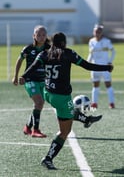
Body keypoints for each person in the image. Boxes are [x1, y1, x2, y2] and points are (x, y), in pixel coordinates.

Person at [19, 32, 113, 170]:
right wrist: (106, 68)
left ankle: (86, 120)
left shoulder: (44, 54)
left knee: (68, 112)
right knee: (64, 131)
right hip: (61, 96)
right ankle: (48, 158)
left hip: (47, 93)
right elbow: (87, 65)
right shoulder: (68, 53)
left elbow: (32, 66)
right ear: (63, 43)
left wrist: (23, 76)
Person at [12, 25, 50, 138]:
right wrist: (16, 76)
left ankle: (28, 127)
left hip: (43, 80)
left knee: (39, 104)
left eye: (43, 35)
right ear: (34, 36)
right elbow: (19, 60)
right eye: (38, 35)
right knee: (38, 102)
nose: (41, 37)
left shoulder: (49, 49)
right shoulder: (28, 49)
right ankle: (36, 130)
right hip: (29, 80)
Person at [87, 24, 116, 109]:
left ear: (102, 32)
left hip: (105, 67)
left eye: (99, 31)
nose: (97, 33)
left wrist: (110, 61)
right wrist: (87, 62)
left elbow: (113, 51)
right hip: (94, 67)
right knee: (95, 85)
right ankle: (94, 103)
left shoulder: (107, 41)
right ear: (93, 32)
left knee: (108, 85)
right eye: (96, 31)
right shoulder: (91, 41)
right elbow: (91, 54)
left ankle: (111, 103)